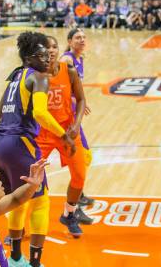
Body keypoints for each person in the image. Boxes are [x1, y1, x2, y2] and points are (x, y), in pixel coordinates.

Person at [0, 32, 76, 267]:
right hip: (18, 145)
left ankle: (15, 258)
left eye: (49, 55)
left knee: (17, 199)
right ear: (28, 57)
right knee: (40, 201)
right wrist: (64, 135)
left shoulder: (15, 75)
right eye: (42, 55)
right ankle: (34, 264)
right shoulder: (39, 78)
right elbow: (39, 113)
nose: (47, 59)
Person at [36, 36, 91, 236]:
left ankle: (69, 214)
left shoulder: (69, 71)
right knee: (29, 180)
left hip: (67, 132)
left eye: (54, 46)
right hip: (41, 134)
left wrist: (76, 125)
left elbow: (82, 100)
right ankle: (19, 226)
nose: (51, 50)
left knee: (79, 176)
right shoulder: (33, 75)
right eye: (46, 47)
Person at [60, 28, 95, 209]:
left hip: (73, 112)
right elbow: (58, 84)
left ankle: (78, 192)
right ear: (69, 41)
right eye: (77, 37)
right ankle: (75, 197)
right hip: (65, 116)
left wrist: (79, 100)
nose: (82, 40)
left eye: (83, 37)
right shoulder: (66, 59)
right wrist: (73, 101)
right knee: (83, 156)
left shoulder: (80, 59)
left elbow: (72, 87)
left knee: (84, 156)